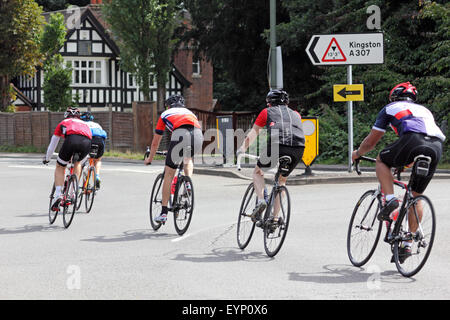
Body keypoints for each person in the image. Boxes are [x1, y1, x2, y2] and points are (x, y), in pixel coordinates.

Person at [351, 81, 445, 261]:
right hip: (436, 146)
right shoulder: (424, 110)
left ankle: (390, 200)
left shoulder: (390, 108)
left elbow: (371, 142)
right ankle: (407, 244)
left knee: (381, 159)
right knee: (415, 195)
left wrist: (357, 154)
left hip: (412, 140)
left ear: (394, 97)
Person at [236, 89, 305, 223]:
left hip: (277, 146)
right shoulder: (296, 114)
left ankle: (261, 201)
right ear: (287, 102)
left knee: (257, 172)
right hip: (298, 148)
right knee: (282, 181)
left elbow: (254, 133)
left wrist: (242, 148)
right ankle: (274, 218)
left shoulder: (266, 112)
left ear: (269, 103)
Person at [144, 94, 204, 222]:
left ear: (168, 106)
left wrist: (150, 159)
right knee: (188, 159)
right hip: (198, 136)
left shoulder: (165, 114)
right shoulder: (189, 113)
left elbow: (155, 142)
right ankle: (187, 183)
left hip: (180, 135)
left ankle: (164, 213)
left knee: (169, 174)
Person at [43, 107, 92, 210]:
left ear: (66, 115)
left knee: (60, 166)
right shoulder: (85, 124)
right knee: (77, 163)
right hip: (87, 143)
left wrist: (47, 158)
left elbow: (53, 144)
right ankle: (73, 193)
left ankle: (58, 195)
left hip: (71, 140)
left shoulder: (63, 122)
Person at [80, 111, 108, 189]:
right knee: (98, 160)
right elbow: (104, 138)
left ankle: (75, 186)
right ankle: (97, 176)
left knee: (79, 163)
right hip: (100, 141)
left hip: (89, 140)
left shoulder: (82, 124)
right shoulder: (97, 125)